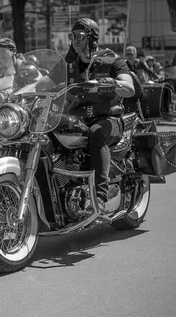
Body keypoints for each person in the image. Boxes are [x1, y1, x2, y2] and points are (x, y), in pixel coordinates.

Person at [18, 17, 135, 203]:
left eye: (80, 36)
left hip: (108, 120)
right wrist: (13, 96)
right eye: (72, 36)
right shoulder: (68, 64)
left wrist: (113, 83)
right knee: (47, 136)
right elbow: (40, 85)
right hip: (78, 119)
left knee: (97, 133)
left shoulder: (111, 59)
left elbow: (129, 88)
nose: (75, 41)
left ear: (91, 37)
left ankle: (101, 195)